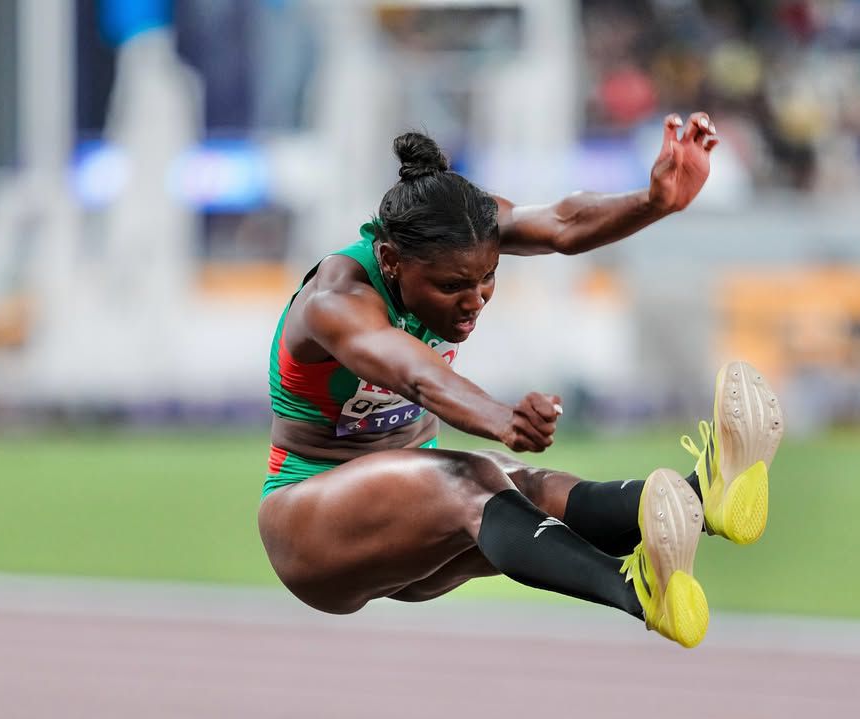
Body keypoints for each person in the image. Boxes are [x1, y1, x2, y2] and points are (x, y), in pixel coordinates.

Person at [258, 112, 784, 648]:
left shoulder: (461, 232)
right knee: (477, 478)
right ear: (391, 261)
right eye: (452, 286)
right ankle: (638, 591)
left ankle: (705, 498)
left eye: (488, 277)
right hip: (311, 528)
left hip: (414, 518)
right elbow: (415, 375)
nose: (475, 300)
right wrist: (502, 419)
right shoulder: (336, 302)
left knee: (527, 488)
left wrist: (654, 202)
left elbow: (562, 223)